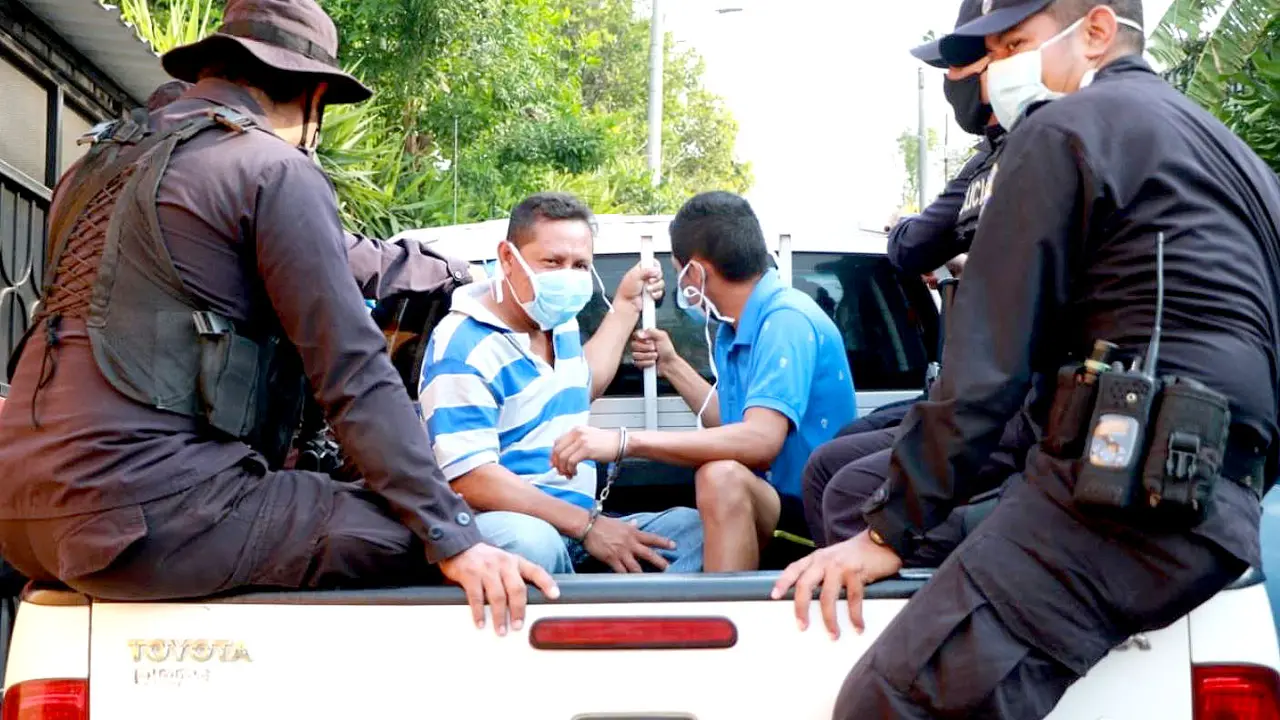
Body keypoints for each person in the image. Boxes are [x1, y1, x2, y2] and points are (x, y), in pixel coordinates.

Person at [774, 1, 1280, 717]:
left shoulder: (1062, 128)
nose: (994, 73)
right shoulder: (1234, 155)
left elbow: (984, 366)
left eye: (1015, 43)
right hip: (1211, 502)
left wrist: (888, 531)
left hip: (1118, 503)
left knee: (886, 702)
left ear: (1097, 31)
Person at [0, 0, 556, 637]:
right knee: (471, 537)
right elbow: (351, 370)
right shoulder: (273, 167)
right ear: (316, 96)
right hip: (146, 518)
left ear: (214, 69)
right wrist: (452, 535)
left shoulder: (95, 166)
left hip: (20, 514)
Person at [800, 0, 1035, 553]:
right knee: (830, 461)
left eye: (958, 65)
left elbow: (913, 246)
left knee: (849, 492)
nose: (951, 81)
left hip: (1020, 410)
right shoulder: (995, 158)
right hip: (979, 395)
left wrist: (910, 230)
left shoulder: (1030, 152)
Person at [551, 192, 857, 572]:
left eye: (679, 274)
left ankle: (726, 617)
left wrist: (624, 441)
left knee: (720, 475)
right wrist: (672, 365)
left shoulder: (785, 321)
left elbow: (759, 441)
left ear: (694, 274)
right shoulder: (737, 326)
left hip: (817, 520)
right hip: (779, 505)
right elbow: (732, 426)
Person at [418, 192, 704, 575]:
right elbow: (471, 477)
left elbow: (581, 385)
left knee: (695, 529)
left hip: (578, 524)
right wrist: (588, 527)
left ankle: (627, 631)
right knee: (532, 542)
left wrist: (625, 307)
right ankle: (575, 630)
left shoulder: (558, 321)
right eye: (552, 262)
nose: (567, 276)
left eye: (580, 265)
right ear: (507, 257)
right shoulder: (463, 345)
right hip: (507, 522)